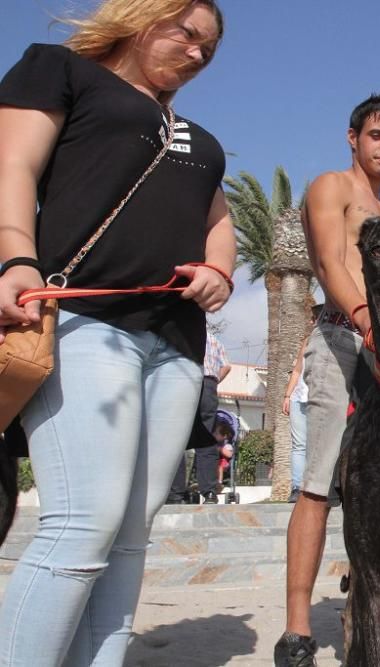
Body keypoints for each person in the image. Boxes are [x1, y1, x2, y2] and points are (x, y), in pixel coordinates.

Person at [0, 2, 233, 663]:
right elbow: (10, 166)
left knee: (130, 534)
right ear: (141, 15)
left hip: (177, 343)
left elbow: (219, 221)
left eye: (208, 50)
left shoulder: (195, 135)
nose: (196, 55)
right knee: (83, 524)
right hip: (85, 317)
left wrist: (219, 270)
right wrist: (16, 258)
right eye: (186, 34)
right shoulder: (63, 72)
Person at [275, 94, 380, 665]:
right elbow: (327, 264)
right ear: (353, 138)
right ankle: (297, 630)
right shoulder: (331, 188)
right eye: (377, 136)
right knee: (318, 482)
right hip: (342, 339)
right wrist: (366, 320)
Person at [168, 328, 231, 504]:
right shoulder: (214, 340)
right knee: (207, 437)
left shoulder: (181, 334)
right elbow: (226, 366)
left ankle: (176, 493)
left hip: (185, 380)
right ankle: (209, 492)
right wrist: (214, 381)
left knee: (176, 437)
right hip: (208, 383)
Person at [282, 305, 323, 504]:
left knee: (318, 444)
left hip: (320, 399)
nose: (310, 322)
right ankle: (297, 487)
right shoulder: (306, 341)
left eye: (313, 319)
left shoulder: (330, 341)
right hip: (299, 398)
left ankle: (316, 488)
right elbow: (297, 370)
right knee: (299, 445)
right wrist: (287, 396)